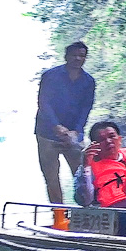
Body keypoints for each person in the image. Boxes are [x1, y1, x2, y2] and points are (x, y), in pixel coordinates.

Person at [33, 41, 95, 204]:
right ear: (66, 56)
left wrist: (77, 131)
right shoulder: (50, 76)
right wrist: (56, 126)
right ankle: (59, 213)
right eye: (74, 55)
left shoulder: (88, 81)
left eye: (81, 56)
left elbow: (86, 108)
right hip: (47, 133)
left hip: (73, 134)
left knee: (82, 173)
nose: (77, 58)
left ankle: (86, 209)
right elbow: (44, 103)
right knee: (51, 176)